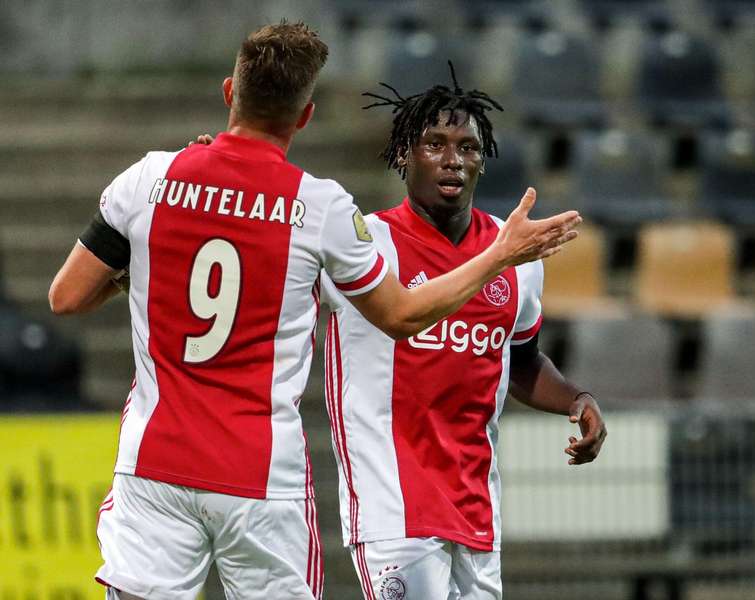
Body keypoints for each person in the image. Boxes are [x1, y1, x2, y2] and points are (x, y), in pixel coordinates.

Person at [47, 23, 580, 600]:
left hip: (155, 461)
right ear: (304, 118)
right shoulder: (317, 207)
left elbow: (66, 297)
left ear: (230, 92)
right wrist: (500, 256)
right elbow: (400, 317)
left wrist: (142, 275)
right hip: (260, 475)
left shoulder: (150, 178)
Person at [318, 65, 607, 599]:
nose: (453, 159)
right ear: (404, 154)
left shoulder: (514, 253)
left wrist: (577, 398)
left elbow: (519, 359)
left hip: (476, 508)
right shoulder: (364, 243)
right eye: (434, 144)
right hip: (393, 508)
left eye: (468, 147)